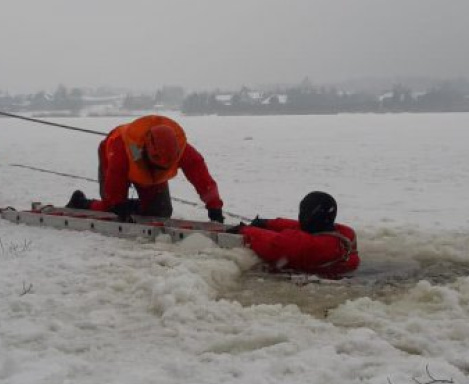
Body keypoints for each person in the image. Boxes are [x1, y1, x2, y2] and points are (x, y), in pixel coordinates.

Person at [65, 115, 224, 222]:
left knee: (161, 211)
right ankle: (80, 202)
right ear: (146, 150)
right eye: (156, 165)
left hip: (143, 170)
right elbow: (115, 176)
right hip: (110, 154)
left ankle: (135, 205)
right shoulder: (122, 149)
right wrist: (118, 204)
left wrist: (214, 206)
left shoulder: (180, 149)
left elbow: (200, 175)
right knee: (112, 209)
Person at [227, 191, 359, 277]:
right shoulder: (346, 236)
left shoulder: (306, 245)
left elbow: (274, 243)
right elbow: (301, 227)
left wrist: (244, 230)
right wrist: (268, 223)